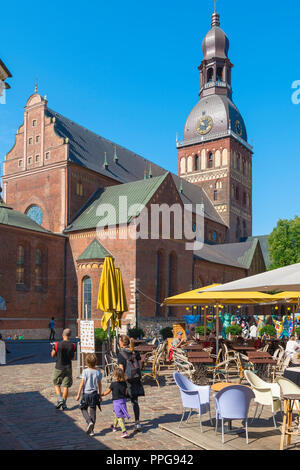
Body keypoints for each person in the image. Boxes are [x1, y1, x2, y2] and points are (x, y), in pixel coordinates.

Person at [117, 335, 145, 432]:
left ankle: (122, 422)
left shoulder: (121, 354)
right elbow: (140, 364)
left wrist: (119, 381)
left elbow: (121, 369)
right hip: (136, 379)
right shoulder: (135, 352)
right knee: (135, 402)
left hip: (126, 380)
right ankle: (137, 422)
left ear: (121, 343)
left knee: (121, 402)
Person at [76, 353, 102, 436]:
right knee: (93, 411)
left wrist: (78, 394)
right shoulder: (97, 372)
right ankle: (92, 430)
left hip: (86, 394)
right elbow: (100, 384)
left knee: (83, 408)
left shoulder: (85, 371)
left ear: (86, 362)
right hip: (94, 394)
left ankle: (89, 421)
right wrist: (100, 395)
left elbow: (82, 384)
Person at [51, 328, 76, 410]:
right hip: (68, 367)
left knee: (56, 383)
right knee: (66, 386)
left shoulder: (57, 344)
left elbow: (52, 355)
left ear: (62, 334)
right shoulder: (73, 345)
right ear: (70, 335)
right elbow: (73, 358)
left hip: (59, 366)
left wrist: (53, 349)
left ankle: (59, 399)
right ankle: (64, 404)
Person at [102, 367, 130, 438]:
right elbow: (126, 392)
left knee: (119, 416)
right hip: (123, 401)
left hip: (116, 402)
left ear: (116, 376)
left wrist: (101, 394)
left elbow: (107, 392)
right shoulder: (125, 383)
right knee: (116, 414)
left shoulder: (113, 384)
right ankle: (114, 427)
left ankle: (124, 431)